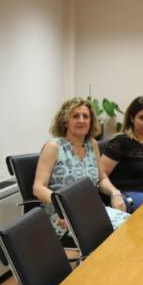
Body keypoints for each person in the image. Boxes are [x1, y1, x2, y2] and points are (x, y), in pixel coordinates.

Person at [33, 97, 129, 236]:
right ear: (65, 121)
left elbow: (101, 178)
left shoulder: (92, 144)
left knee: (130, 225)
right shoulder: (53, 146)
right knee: (117, 235)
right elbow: (38, 188)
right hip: (61, 216)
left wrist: (115, 193)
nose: (81, 120)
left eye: (85, 116)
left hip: (91, 211)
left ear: (91, 121)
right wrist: (62, 207)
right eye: (75, 116)